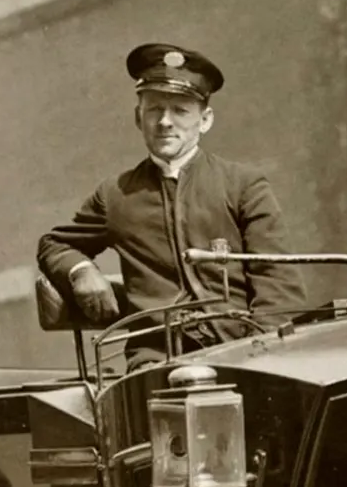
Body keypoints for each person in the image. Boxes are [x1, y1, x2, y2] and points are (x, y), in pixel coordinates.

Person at [36, 43, 305, 339]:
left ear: (205, 121)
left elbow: (277, 283)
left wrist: (263, 348)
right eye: (154, 109)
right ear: (138, 118)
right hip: (156, 358)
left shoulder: (243, 185)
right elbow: (55, 244)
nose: (165, 122)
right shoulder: (116, 194)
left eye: (180, 110)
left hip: (242, 348)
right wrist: (81, 270)